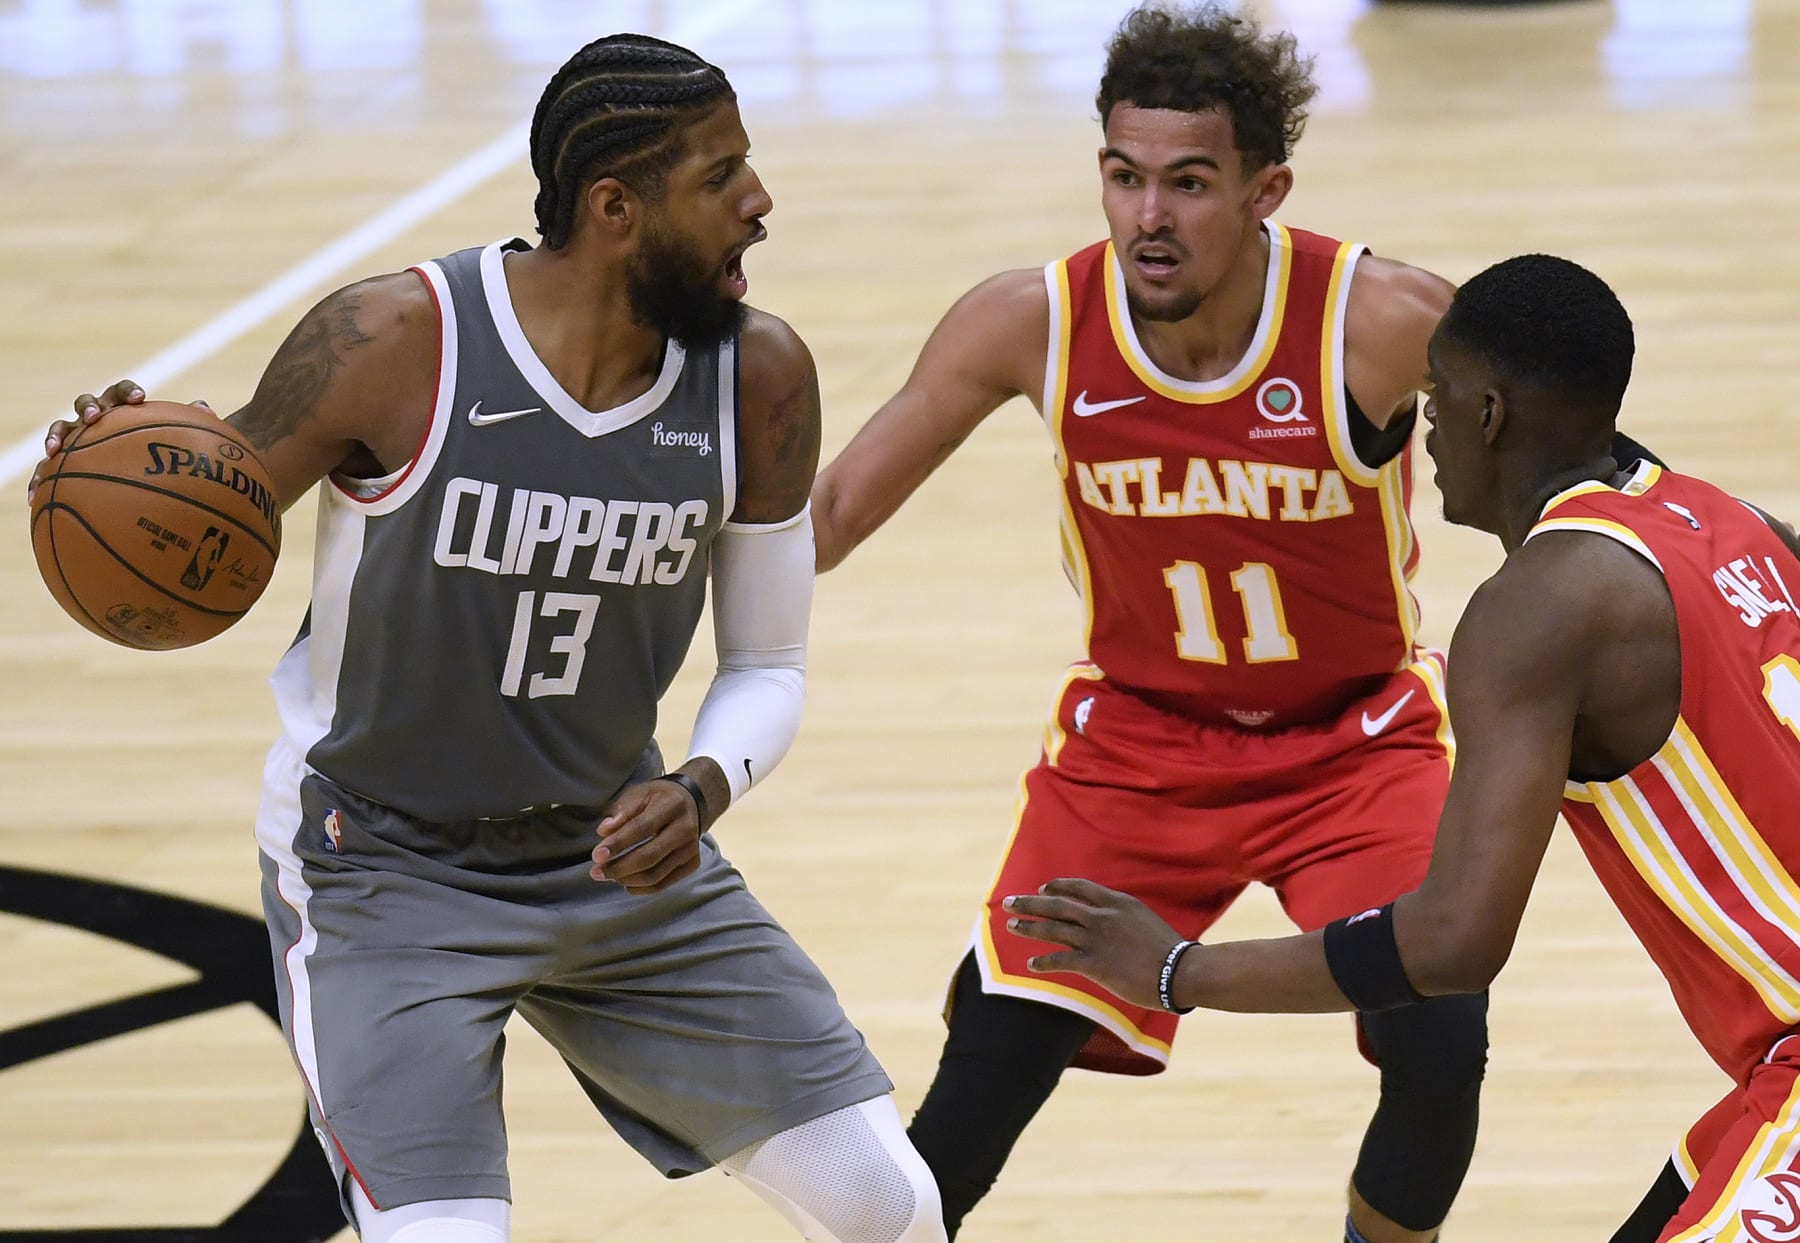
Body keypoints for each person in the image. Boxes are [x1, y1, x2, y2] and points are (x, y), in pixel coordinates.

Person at [28, 34, 944, 1243]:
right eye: (723, 177)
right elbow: (213, 505)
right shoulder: (391, 342)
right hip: (381, 873)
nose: (759, 204)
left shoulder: (759, 378)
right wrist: (125, 458)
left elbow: (767, 663)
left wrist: (703, 787)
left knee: (892, 1201)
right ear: (616, 208)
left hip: (612, 858)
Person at [811, 6, 1497, 1241]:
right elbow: (837, 508)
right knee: (987, 1067)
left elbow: (1556, 469)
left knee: (1440, 1038)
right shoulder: (1032, 321)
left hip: (1356, 744)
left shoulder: (1378, 319)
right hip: (1139, 749)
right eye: (1125, 179)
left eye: (1189, 183)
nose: (1149, 216)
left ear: (1264, 189)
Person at [1004, 252, 1800, 1243]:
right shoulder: (1737, 524)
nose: (1424, 429)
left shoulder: (1534, 612)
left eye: (1440, 395)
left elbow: (1455, 940)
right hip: (1772, 1073)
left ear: (1492, 414)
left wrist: (1178, 971)